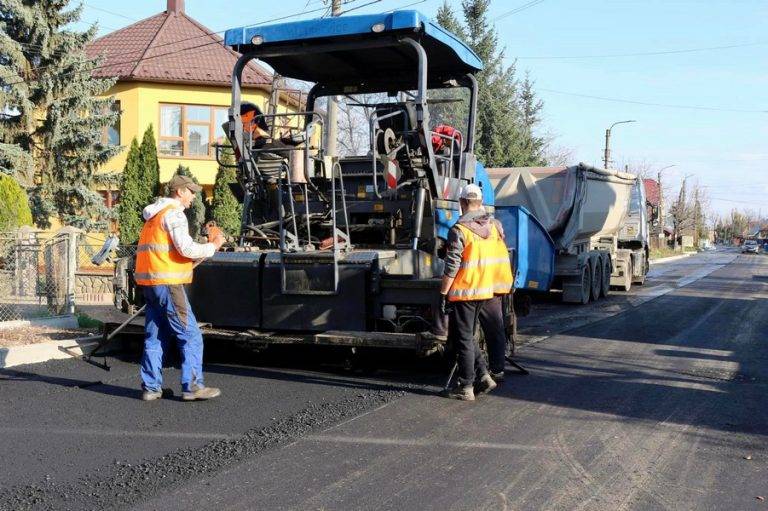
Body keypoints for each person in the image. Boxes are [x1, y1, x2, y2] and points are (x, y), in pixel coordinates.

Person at [134, 174, 226, 402]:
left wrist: (203, 246)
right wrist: (213, 246)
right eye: (191, 191)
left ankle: (151, 387)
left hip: (152, 283)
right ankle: (192, 386)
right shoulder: (174, 214)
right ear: (180, 191)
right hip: (169, 284)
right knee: (191, 335)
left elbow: (169, 250)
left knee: (154, 336)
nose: (194, 196)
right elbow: (184, 248)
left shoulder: (153, 216)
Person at [440, 184, 514, 401]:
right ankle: (487, 375)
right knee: (477, 334)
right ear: (480, 202)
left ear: (462, 203)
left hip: (466, 291)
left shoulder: (459, 230)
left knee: (464, 338)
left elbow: (452, 265)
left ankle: (467, 387)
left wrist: (444, 291)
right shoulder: (495, 226)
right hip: (490, 288)